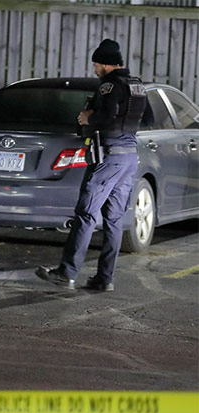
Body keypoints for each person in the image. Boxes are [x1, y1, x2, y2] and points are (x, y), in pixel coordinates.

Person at [36, 39, 153, 291]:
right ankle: (104, 278)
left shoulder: (109, 87)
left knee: (86, 213)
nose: (94, 70)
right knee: (114, 219)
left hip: (108, 156)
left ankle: (66, 272)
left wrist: (88, 116)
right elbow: (149, 119)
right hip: (129, 156)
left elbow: (106, 118)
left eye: (96, 65)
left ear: (106, 64)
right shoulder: (137, 86)